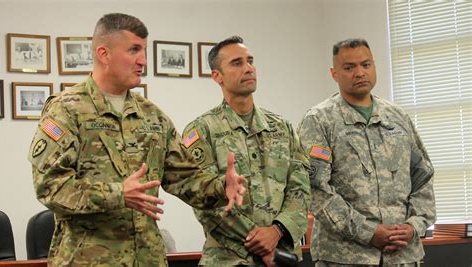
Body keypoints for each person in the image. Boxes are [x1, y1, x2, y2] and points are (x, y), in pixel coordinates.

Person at [28, 13, 245, 266]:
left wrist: (220, 187)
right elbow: (50, 186)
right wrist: (117, 194)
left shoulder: (153, 117)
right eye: (133, 50)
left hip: (147, 258)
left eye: (144, 50)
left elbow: (186, 178)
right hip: (87, 260)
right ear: (103, 53)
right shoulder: (66, 110)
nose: (143, 60)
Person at [298, 38, 436, 266]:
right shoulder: (319, 120)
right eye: (349, 67)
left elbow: (423, 177)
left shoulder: (398, 118)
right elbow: (316, 189)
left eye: (366, 64)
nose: (360, 73)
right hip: (345, 257)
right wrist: (367, 231)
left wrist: (414, 226)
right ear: (334, 74)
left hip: (403, 256)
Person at [182, 36, 311, 266]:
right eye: (237, 63)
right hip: (230, 260)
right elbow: (203, 201)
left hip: (282, 257)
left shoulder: (282, 127)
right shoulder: (201, 131)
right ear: (217, 76)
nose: (248, 68)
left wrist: (277, 230)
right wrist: (257, 241)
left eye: (250, 61)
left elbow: (300, 188)